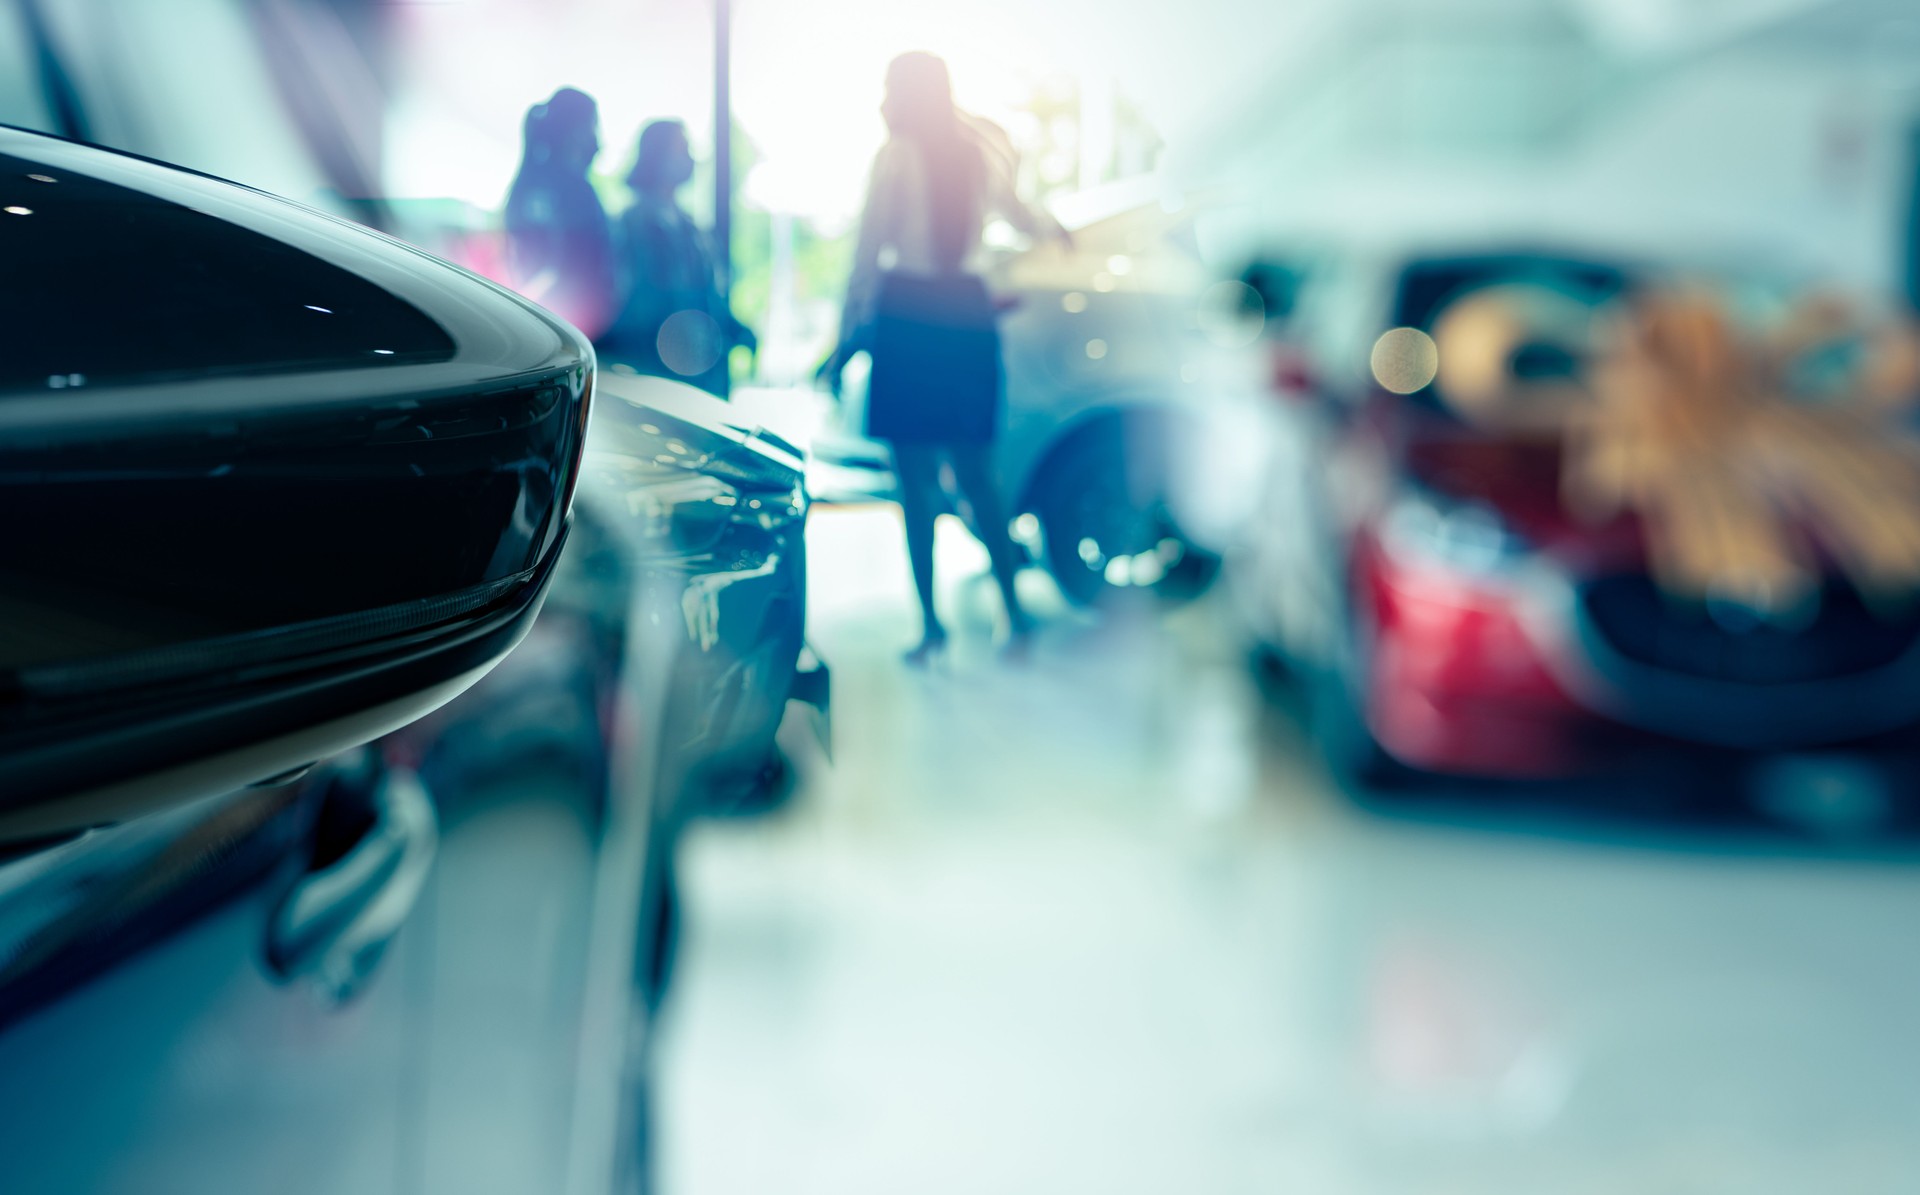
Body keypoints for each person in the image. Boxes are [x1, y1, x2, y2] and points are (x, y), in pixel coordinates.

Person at [819, 52, 1069, 665]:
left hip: (910, 317)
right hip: (967, 315)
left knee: (916, 485)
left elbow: (867, 254)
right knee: (981, 477)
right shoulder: (977, 149)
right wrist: (1061, 233)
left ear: (907, 94)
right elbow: (1022, 213)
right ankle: (1016, 614)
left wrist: (845, 338)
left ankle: (932, 627)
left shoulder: (895, 155)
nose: (883, 101)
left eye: (889, 88)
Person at [600, 119, 756, 397]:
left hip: (699, 377)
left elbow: (706, 295)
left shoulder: (691, 226)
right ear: (657, 155)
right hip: (654, 375)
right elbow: (631, 301)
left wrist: (735, 327)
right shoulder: (630, 224)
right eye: (682, 149)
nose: (690, 159)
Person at [503, 87, 616, 339]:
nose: (599, 141)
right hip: (571, 329)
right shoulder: (570, 190)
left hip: (549, 326)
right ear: (575, 131)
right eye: (594, 126)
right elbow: (567, 268)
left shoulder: (528, 186)